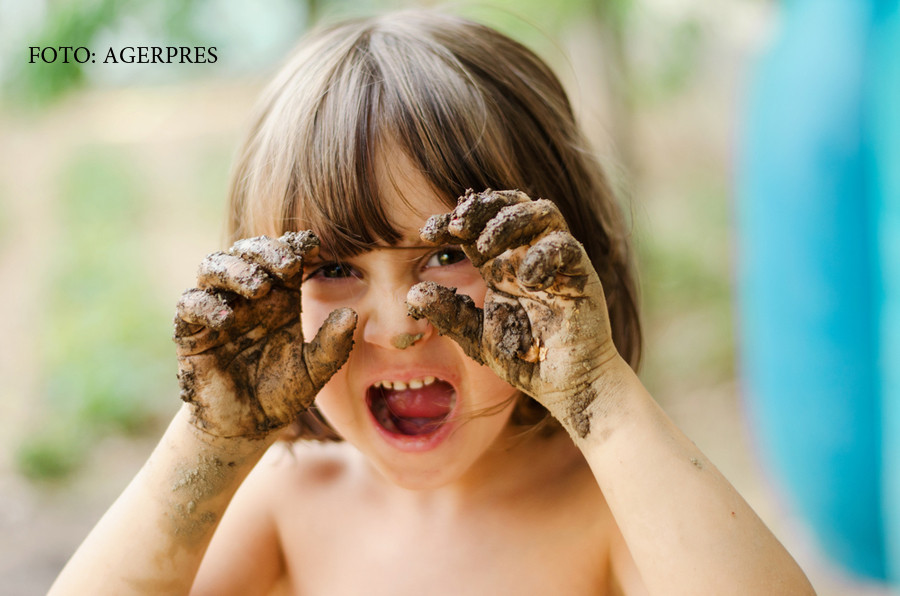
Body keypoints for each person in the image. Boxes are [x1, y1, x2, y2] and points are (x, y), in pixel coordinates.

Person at [49, 10, 816, 595]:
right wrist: (209, 444)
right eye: (334, 271)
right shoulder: (288, 504)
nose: (399, 326)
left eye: (449, 257)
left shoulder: (614, 508)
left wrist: (602, 401)